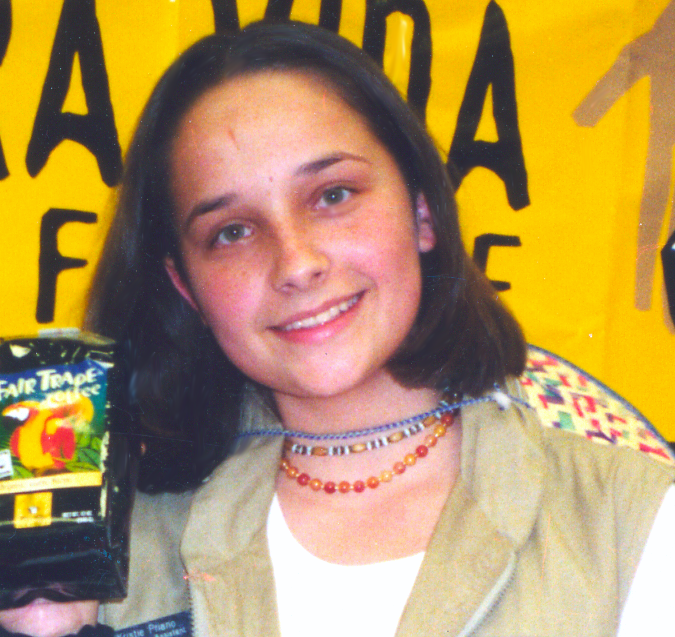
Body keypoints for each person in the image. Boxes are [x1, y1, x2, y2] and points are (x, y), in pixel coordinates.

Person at [2, 20, 674, 637]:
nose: (295, 262)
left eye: (332, 195)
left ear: (421, 211)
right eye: (231, 231)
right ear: (186, 286)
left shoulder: (630, 522)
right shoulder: (107, 541)